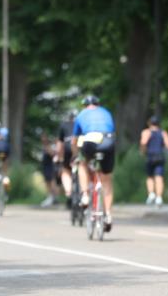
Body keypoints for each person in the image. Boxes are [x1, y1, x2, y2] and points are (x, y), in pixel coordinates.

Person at [71, 95, 117, 231]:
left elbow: (75, 140)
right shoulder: (106, 112)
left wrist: (75, 155)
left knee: (82, 164)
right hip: (108, 141)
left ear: (85, 105)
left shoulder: (81, 114)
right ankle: (108, 215)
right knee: (107, 180)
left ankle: (85, 195)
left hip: (90, 140)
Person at [140, 115, 168, 206]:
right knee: (159, 177)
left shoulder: (146, 132)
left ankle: (151, 194)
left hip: (150, 156)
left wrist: (143, 151)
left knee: (150, 177)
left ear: (149, 123)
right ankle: (159, 197)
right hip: (160, 156)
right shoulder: (163, 133)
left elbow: (143, 142)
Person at [56, 109, 78, 209]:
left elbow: (60, 145)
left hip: (68, 149)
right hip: (80, 148)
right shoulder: (82, 124)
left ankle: (69, 193)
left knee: (65, 171)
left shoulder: (64, 125)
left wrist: (59, 157)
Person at [39, 131, 60, 207]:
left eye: (44, 137)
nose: (43, 139)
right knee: (47, 182)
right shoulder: (43, 146)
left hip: (50, 166)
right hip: (45, 166)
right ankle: (50, 197)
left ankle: (52, 197)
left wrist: (48, 150)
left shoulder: (49, 146)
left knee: (51, 182)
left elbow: (53, 154)